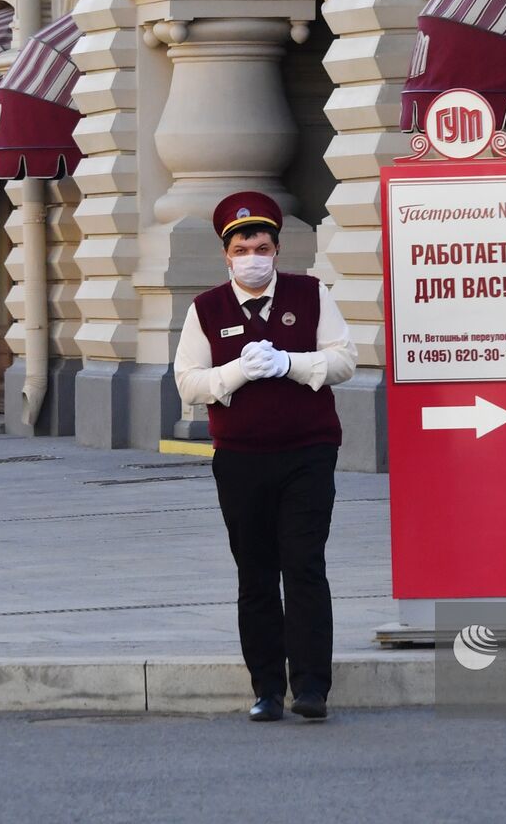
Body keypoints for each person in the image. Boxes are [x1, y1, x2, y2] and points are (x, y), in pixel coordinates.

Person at [174, 191, 357, 722]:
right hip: (241, 458)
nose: (252, 258)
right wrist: (238, 371)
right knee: (255, 573)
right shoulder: (206, 309)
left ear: (277, 250)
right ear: (226, 256)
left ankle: (312, 687)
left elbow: (345, 360)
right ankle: (267, 690)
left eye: (261, 248)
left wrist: (289, 364)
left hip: (308, 453)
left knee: (303, 564)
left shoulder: (311, 293)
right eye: (241, 249)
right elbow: (188, 382)